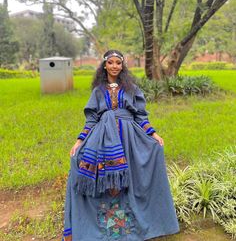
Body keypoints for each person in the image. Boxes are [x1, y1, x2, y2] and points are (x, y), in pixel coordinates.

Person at [62, 50, 179, 241]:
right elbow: (91, 119)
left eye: (118, 63)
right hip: (102, 139)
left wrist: (154, 135)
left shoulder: (131, 88)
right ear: (105, 65)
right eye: (111, 62)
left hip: (130, 138)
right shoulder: (98, 91)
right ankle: (102, 225)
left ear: (122, 65)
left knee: (133, 177)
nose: (115, 66)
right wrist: (79, 141)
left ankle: (140, 223)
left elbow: (141, 115)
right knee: (81, 163)